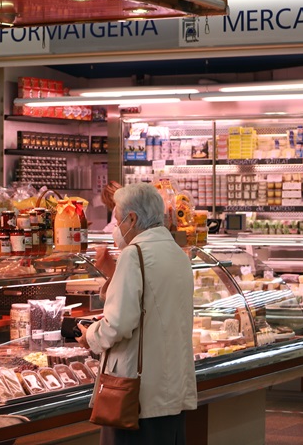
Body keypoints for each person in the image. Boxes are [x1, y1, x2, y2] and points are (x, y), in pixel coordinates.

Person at [75, 183, 196, 445]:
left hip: (137, 395)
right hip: (172, 387)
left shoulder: (134, 254)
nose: (116, 229)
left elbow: (118, 324)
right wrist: (112, 273)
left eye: (118, 220)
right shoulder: (177, 253)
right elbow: (150, 303)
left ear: (132, 218)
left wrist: (90, 336)